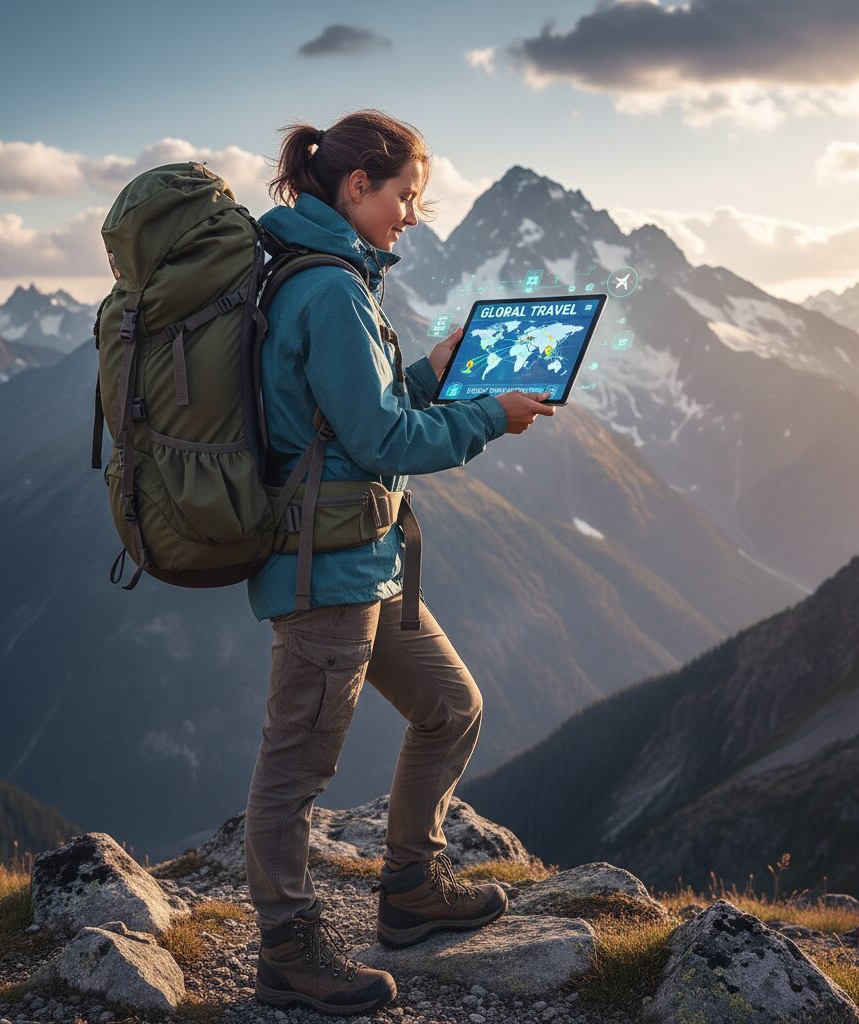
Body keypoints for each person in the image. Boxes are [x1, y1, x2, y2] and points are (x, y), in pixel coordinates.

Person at [243, 109, 557, 1016]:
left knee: (451, 705)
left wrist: (433, 369)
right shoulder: (331, 290)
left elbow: (349, 415)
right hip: (327, 575)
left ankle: (412, 889)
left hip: (364, 562)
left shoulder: (331, 275)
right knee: (295, 770)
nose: (413, 215)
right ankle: (287, 952)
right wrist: (488, 416)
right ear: (357, 187)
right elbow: (382, 441)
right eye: (406, 196)